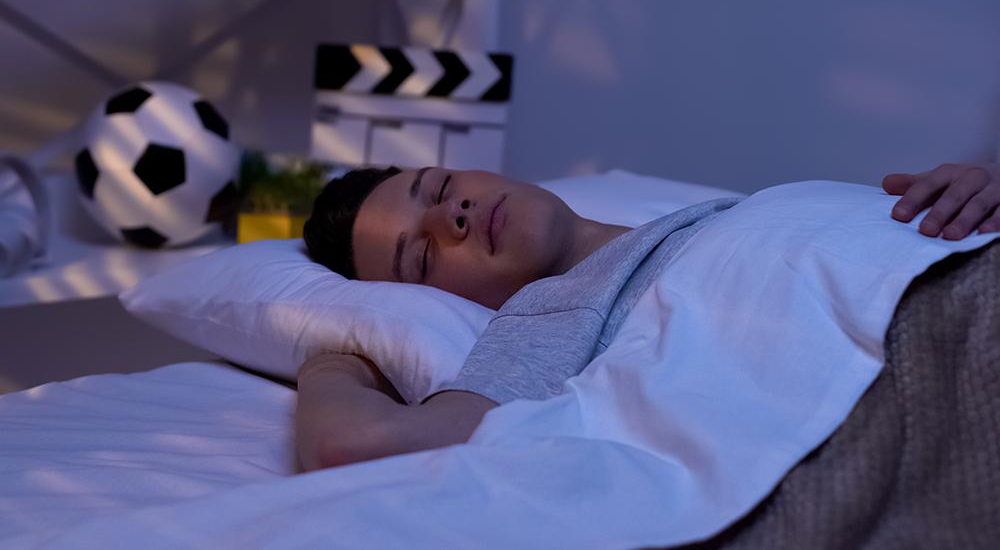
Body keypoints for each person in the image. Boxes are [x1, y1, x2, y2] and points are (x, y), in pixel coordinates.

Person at [294, 161, 1000, 472]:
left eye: (442, 189)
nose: (453, 214)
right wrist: (335, 351)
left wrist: (977, 190)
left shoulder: (696, 219)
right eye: (421, 256)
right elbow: (354, 443)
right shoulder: (544, 318)